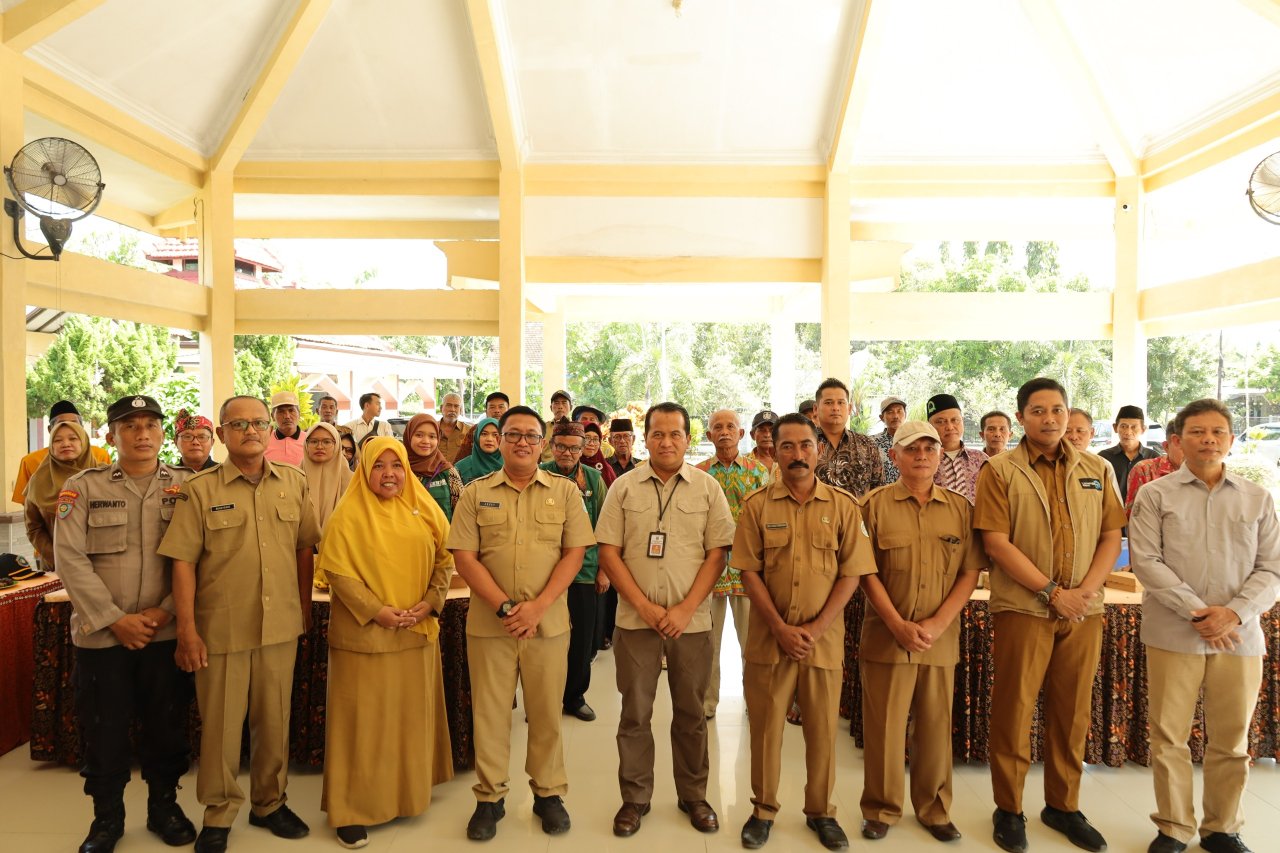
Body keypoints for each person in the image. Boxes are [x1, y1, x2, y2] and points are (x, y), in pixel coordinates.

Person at [158, 395, 322, 853]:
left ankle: (269, 803)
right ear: (222, 434)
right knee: (222, 729)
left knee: (275, 722)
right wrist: (187, 630)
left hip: (280, 625)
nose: (251, 431)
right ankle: (219, 813)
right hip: (222, 629)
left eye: (258, 423)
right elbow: (183, 562)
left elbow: (304, 547)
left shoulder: (293, 483)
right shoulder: (201, 489)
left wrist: (304, 607)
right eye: (239, 424)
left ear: (271, 430)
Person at [974, 377, 1126, 853]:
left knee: (1072, 712)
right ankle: (1009, 808)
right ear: (1021, 418)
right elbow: (996, 542)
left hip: (1083, 610)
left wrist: (1084, 591)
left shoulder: (1097, 468)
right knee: (1015, 710)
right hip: (1024, 607)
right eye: (1038, 410)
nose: (1050, 418)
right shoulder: (999, 470)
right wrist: (1051, 591)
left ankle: (1063, 805)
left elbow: (1110, 536)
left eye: (1057, 409)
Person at [1129, 399, 1280, 853]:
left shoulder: (1258, 497)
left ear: (1231, 440)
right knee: (1169, 737)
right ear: (1177, 441)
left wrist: (1231, 613)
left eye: (1217, 432)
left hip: (1240, 635)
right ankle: (1173, 827)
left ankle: (1222, 828)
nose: (1208, 439)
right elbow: (1146, 562)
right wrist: (1200, 613)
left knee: (1233, 739)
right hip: (1174, 634)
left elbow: (1272, 568)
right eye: (1197, 432)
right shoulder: (1155, 495)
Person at [53, 395, 195, 853]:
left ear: (162, 433)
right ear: (111, 435)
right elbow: (69, 559)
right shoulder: (83, 487)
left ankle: (164, 808)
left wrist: (165, 611)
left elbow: (203, 558)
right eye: (129, 427)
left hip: (164, 632)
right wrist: (116, 620)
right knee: (103, 728)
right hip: (101, 636)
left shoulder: (187, 485)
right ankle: (106, 819)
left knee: (165, 724)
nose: (141, 435)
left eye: (150, 425)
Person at [446, 405, 595, 842]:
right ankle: (489, 797)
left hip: (548, 625)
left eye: (532, 435)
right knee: (489, 714)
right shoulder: (476, 492)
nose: (523, 442)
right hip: (491, 626)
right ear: (500, 438)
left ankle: (548, 793)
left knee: (547, 712)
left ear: (543, 442)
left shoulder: (565, 493)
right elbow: (464, 556)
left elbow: (575, 553)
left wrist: (539, 606)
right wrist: (506, 607)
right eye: (514, 434)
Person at [733, 413, 874, 851]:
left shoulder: (844, 506)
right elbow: (749, 573)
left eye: (805, 445)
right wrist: (779, 627)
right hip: (768, 640)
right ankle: (763, 809)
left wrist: (814, 627)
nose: (797, 455)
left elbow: (852, 574)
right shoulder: (757, 505)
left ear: (818, 449)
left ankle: (821, 812)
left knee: (821, 731)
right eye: (788, 446)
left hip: (822, 640)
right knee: (767, 729)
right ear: (773, 450)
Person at [596, 402, 736, 838]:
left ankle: (694, 795)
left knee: (691, 713)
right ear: (645, 438)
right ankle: (635, 799)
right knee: (635, 714)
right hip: (635, 622)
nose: (666, 441)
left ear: (688, 439)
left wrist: (683, 608)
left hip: (690, 622)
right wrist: (646, 606)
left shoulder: (707, 487)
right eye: (657, 434)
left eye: (675, 434)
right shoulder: (623, 487)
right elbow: (608, 553)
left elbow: (718, 554)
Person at [317, 437, 455, 849]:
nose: (390, 474)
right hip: (366, 635)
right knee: (362, 725)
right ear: (364, 470)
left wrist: (430, 602)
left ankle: (405, 795)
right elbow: (338, 574)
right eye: (379, 466)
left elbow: (446, 559)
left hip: (415, 630)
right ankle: (351, 810)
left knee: (406, 719)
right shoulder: (348, 515)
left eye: (397, 465)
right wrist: (378, 611)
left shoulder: (424, 507)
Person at [858, 421, 985, 843]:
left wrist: (937, 623)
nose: (923, 455)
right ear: (894, 457)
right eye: (912, 449)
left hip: (938, 638)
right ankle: (881, 808)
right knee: (884, 729)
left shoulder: (960, 509)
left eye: (930, 448)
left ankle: (934, 809)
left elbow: (969, 572)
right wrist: (896, 623)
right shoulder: (872, 506)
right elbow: (864, 571)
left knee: (934, 729)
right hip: (885, 636)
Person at [696, 408, 769, 719]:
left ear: (741, 434)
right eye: (717, 427)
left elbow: (767, 522)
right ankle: (706, 703)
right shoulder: (698, 474)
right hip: (708, 570)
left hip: (746, 570)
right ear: (709, 435)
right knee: (706, 645)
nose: (724, 432)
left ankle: (756, 701)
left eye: (730, 427)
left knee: (751, 644)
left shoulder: (758, 473)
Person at [539, 421, 608, 722]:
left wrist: (603, 571)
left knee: (581, 639)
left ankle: (575, 696)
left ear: (584, 449)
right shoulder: (538, 475)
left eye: (574, 448)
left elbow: (607, 529)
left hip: (584, 571)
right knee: (545, 638)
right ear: (551, 447)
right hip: (545, 572)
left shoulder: (593, 479)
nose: (567, 453)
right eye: (561, 446)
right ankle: (543, 697)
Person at [24, 420, 96, 570]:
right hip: (58, 568)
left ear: (83, 441)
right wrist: (59, 559)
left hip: (103, 566)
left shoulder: (103, 475)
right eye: (57, 440)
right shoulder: (38, 481)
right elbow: (34, 528)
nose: (65, 444)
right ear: (51, 446)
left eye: (73, 438)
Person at [11, 399, 111, 504]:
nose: (68, 427)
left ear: (81, 428)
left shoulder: (100, 455)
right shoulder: (30, 461)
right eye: (62, 424)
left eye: (74, 424)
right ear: (50, 430)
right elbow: (28, 504)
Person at [303, 422, 353, 592]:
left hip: (341, 561)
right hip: (302, 560)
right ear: (306, 445)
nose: (320, 446)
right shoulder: (295, 477)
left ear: (337, 445)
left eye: (327, 442)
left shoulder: (352, 481)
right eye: (313, 441)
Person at [813, 378, 884, 499]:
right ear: (815, 409)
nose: (835, 408)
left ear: (849, 408)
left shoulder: (867, 445)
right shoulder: (805, 445)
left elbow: (878, 490)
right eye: (828, 403)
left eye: (841, 402)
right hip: (815, 516)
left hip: (859, 516)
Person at [926, 393, 987, 504]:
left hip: (976, 520)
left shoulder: (981, 459)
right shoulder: (923, 460)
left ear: (962, 421)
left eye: (955, 420)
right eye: (941, 422)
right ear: (929, 426)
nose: (949, 427)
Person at [403, 413, 463, 521]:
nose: (426, 441)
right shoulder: (399, 471)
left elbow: (462, 513)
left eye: (432, 436)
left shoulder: (448, 472)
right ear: (408, 436)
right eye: (419, 435)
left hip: (443, 536)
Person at [1098, 404, 1160, 505]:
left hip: (1145, 515)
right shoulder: (1103, 457)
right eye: (1123, 426)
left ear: (1143, 429)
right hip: (1113, 516)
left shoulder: (1154, 458)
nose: (1128, 432)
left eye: (1134, 427)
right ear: (1115, 427)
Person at [1126, 420, 1182, 515]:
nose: (1191, 452)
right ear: (1166, 446)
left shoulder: (1204, 473)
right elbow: (1133, 517)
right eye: (1183, 445)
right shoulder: (1144, 470)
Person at [454, 392, 510, 462]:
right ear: (486, 411)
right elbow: (462, 456)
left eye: (501, 407)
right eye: (492, 407)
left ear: (508, 410)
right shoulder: (475, 430)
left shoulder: (515, 430)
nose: (497, 411)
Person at [454, 417, 502, 485]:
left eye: (495, 435)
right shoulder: (461, 468)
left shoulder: (511, 466)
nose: (489, 439)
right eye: (484, 434)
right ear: (476, 437)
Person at [871, 396, 906, 486]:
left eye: (899, 411)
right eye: (890, 412)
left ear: (905, 414)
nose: (895, 416)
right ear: (882, 417)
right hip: (881, 496)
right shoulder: (871, 443)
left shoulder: (914, 441)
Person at [264, 391, 305, 467]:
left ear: (299, 414)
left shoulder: (309, 440)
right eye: (281, 411)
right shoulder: (263, 440)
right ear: (272, 416)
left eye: (291, 410)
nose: (287, 416)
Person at [746, 410, 780, 482]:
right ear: (752, 435)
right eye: (761, 430)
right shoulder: (743, 464)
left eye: (772, 430)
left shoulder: (786, 460)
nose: (767, 435)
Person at [438, 392, 469, 463]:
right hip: (433, 473)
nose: (452, 409)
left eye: (456, 406)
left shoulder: (469, 431)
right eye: (448, 405)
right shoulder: (431, 429)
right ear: (441, 408)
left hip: (460, 473)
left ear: (460, 410)